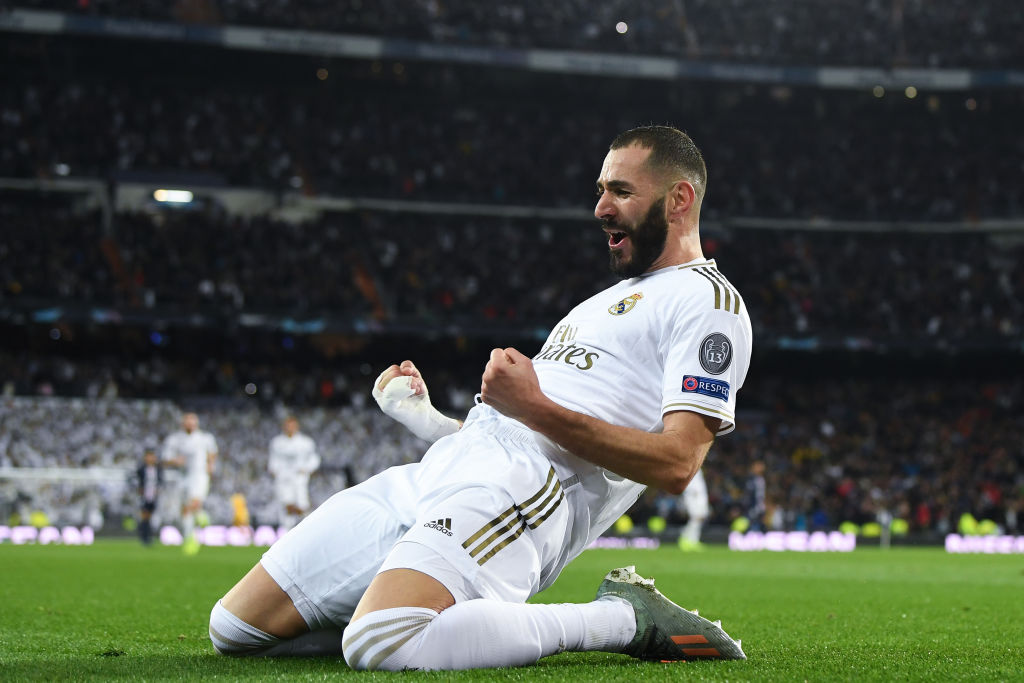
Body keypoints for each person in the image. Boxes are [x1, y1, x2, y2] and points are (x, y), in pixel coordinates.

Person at [209, 125, 753, 669]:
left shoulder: (708, 303)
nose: (601, 209)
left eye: (621, 191)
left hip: (529, 491)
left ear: (679, 199)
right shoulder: (600, 304)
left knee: (382, 641)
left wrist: (534, 406)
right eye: (600, 191)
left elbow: (678, 463)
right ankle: (419, 616)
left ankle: (623, 619)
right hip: (446, 466)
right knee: (236, 627)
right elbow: (510, 427)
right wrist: (425, 419)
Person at [162, 411, 218, 554]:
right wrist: (175, 461)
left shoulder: (205, 438)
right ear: (182, 423)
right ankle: (189, 537)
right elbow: (165, 458)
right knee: (185, 510)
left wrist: (211, 464)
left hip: (199, 475)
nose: (190, 423)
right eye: (187, 421)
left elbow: (212, 452)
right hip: (182, 477)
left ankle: (200, 514)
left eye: (192, 421)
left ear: (196, 423)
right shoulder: (174, 439)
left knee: (194, 502)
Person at [268, 416, 321, 530]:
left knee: (302, 505)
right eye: (288, 426)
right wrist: (274, 470)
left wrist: (307, 469)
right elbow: (273, 459)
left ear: (297, 426)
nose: (290, 428)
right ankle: (287, 532)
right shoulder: (277, 442)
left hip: (299, 478)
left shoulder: (305, 442)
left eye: (292, 425)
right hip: (284, 479)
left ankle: (307, 529)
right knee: (286, 506)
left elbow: (314, 459)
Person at [136, 442, 163, 546]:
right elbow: (137, 481)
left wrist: (158, 490)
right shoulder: (141, 469)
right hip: (144, 495)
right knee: (145, 515)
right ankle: (144, 536)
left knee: (150, 516)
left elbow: (160, 481)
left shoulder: (158, 469)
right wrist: (140, 490)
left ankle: (147, 536)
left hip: (153, 496)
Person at [678, 467, 710, 551]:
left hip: (700, 496)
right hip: (693, 495)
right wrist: (692, 491)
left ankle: (691, 540)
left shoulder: (697, 468)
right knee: (696, 518)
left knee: (699, 518)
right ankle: (687, 539)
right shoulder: (690, 466)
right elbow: (686, 480)